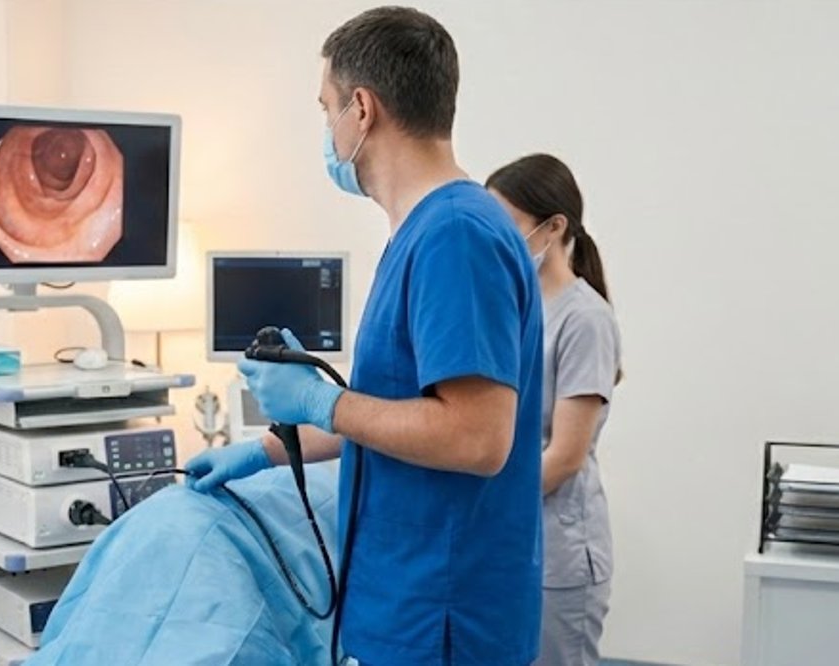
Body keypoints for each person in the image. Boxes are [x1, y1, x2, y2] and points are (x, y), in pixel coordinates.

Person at [185, 7, 547, 666]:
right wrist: (269, 446)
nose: (326, 129)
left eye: (326, 109)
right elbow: (398, 413)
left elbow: (477, 437)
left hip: (444, 616)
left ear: (362, 108)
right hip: (406, 605)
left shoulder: (455, 236)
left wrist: (321, 401)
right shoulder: (423, 231)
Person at [487, 154, 623, 666]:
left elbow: (565, 456)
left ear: (554, 227)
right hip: (516, 539)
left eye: (508, 226)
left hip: (561, 553)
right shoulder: (517, 307)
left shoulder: (585, 319)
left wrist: (485, 501)